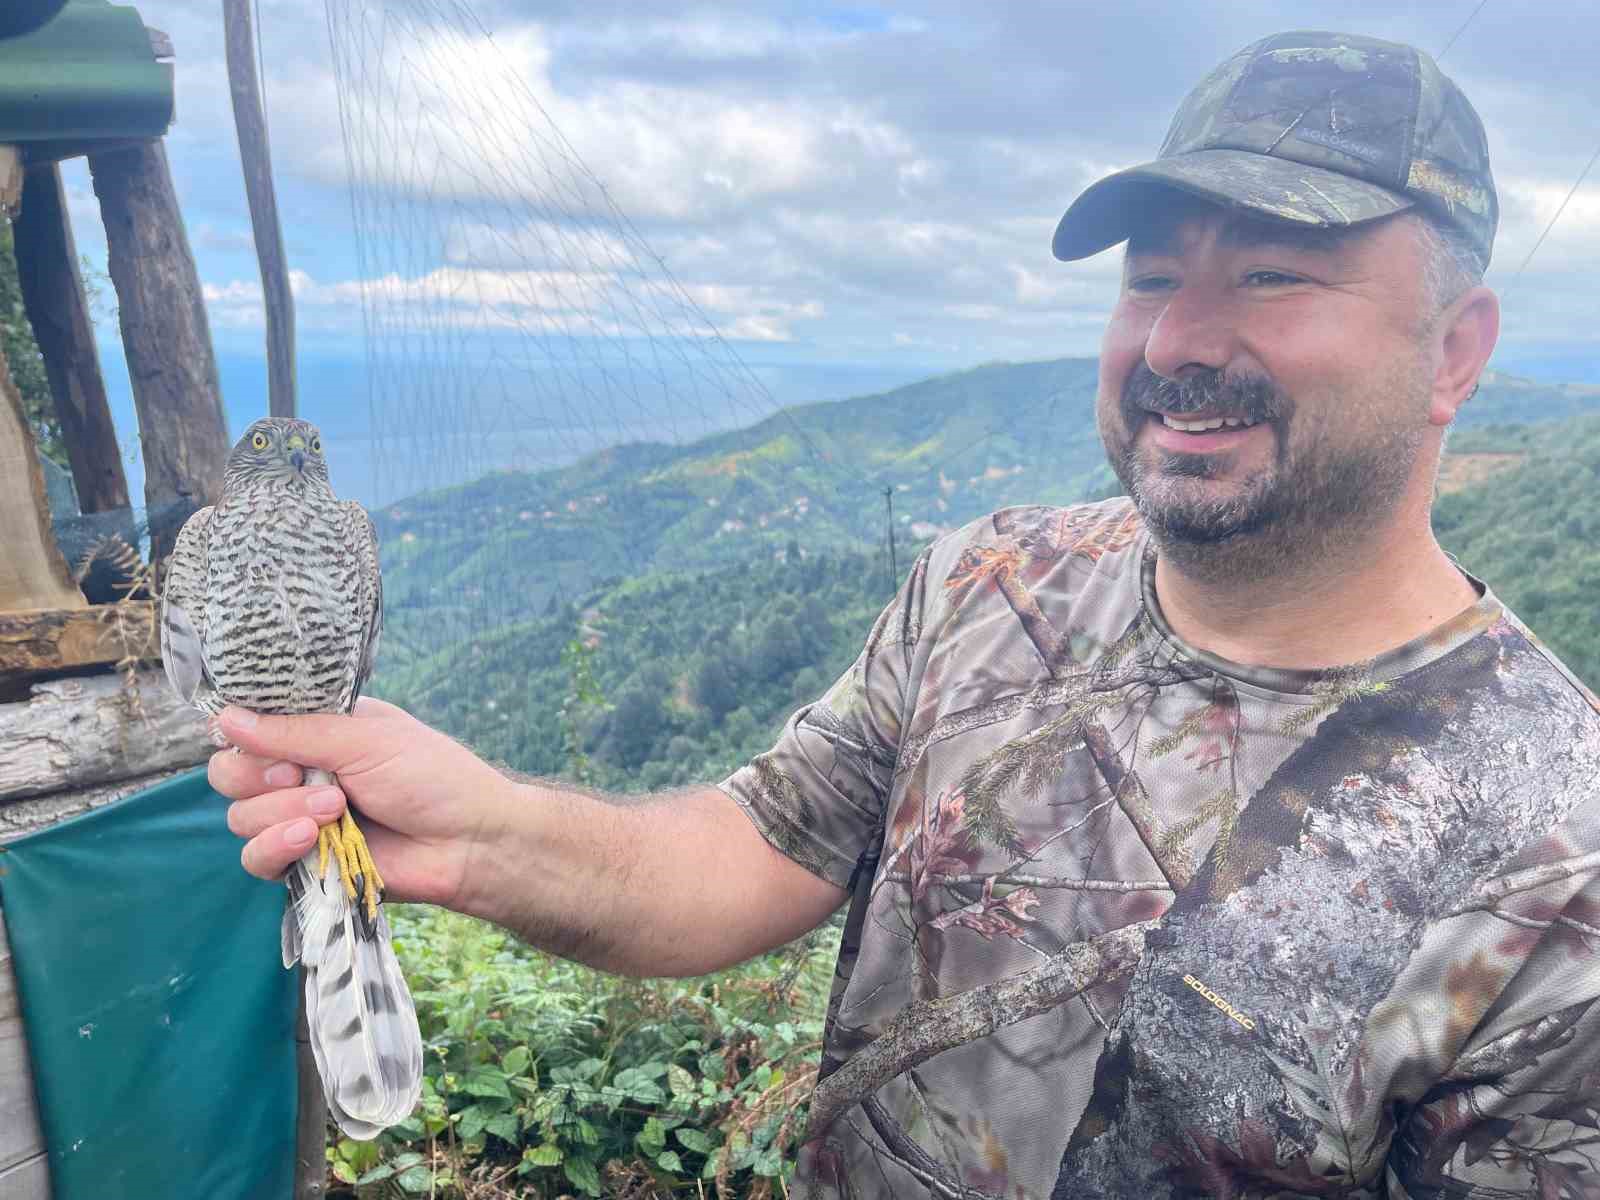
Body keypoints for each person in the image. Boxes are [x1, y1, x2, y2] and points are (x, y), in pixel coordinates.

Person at [212, 29, 1600, 1199]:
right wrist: (475, 833)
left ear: (1455, 352)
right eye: (1154, 278)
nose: (1179, 340)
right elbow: (749, 852)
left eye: (1275, 275)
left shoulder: (1557, 858)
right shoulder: (990, 584)